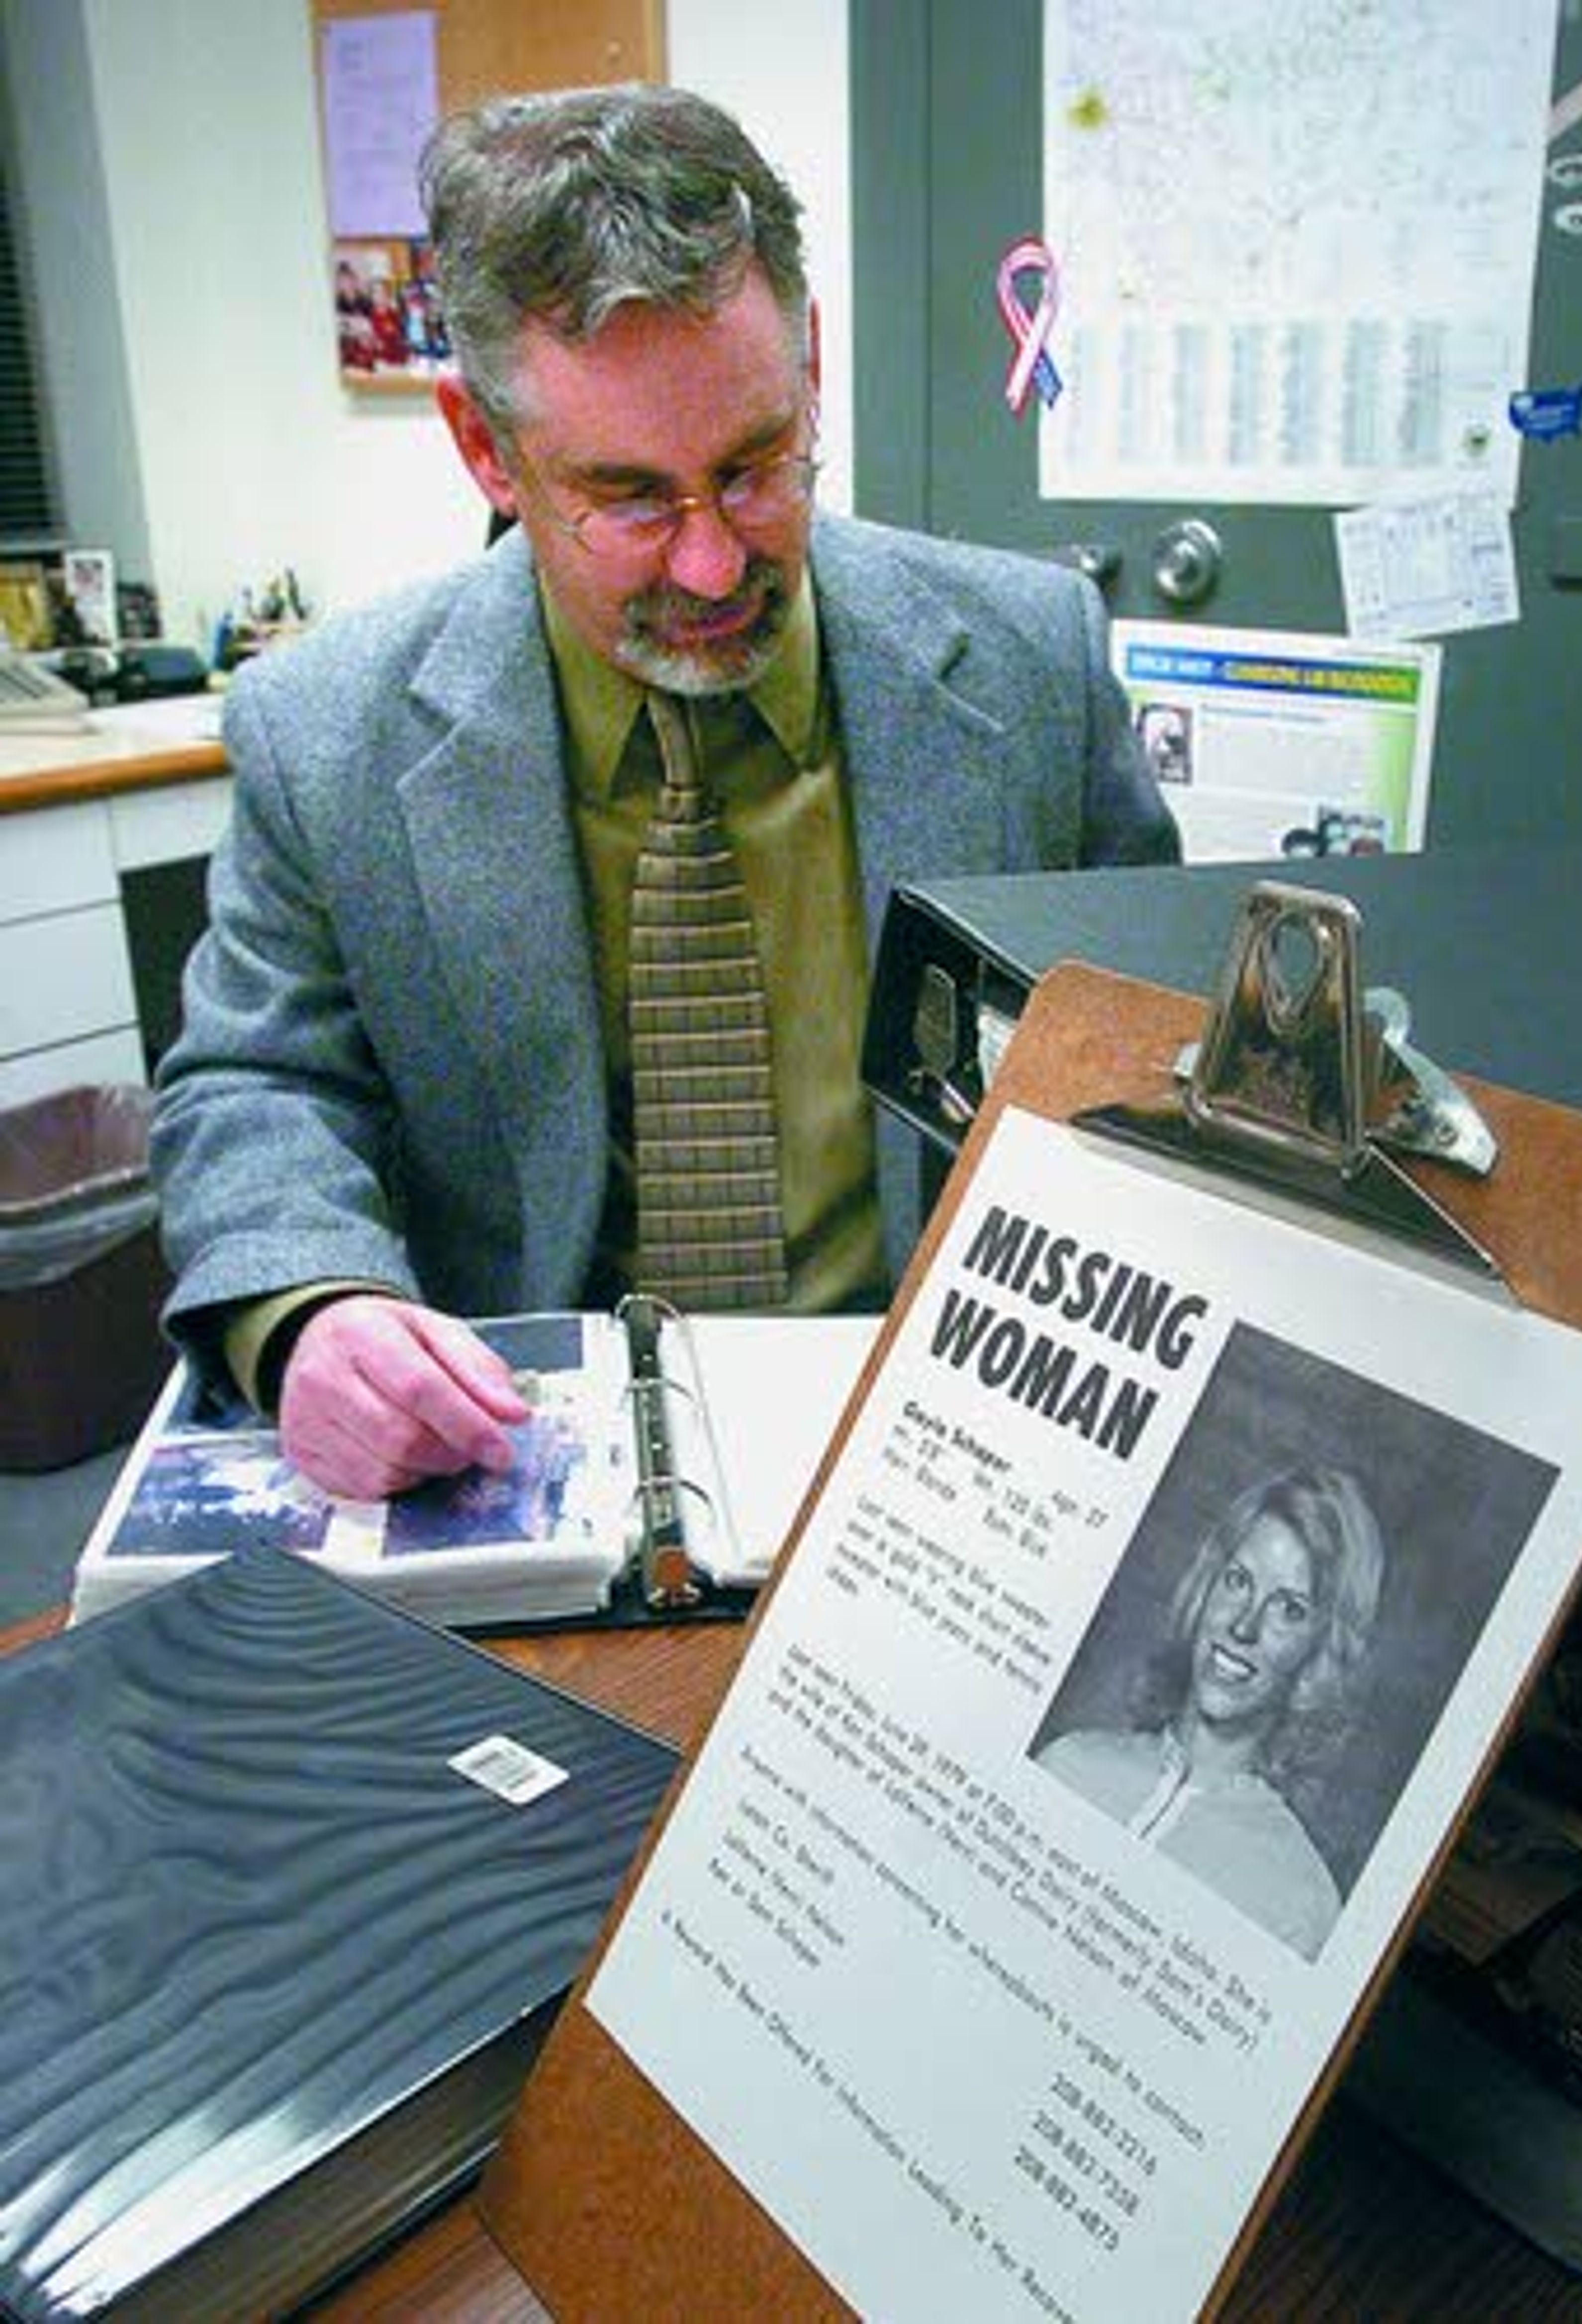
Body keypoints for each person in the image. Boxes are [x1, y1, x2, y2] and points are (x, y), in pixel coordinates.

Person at [153, 84, 1177, 1504]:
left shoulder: (1030, 667)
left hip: (945, 1450)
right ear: (482, 447)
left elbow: (1143, 1057)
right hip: (523, 1450)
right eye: (631, 499)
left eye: (754, 467)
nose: (711, 566)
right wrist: (313, 1310)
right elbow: (261, 1080)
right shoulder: (326, 735)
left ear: (810, 366)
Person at [1036, 1462, 1385, 1959]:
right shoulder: (1068, 1764)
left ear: (1320, 1648)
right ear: (1206, 1588)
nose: (1244, 1626)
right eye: (1239, 1581)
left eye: (1290, 1609)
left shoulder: (1301, 1904)